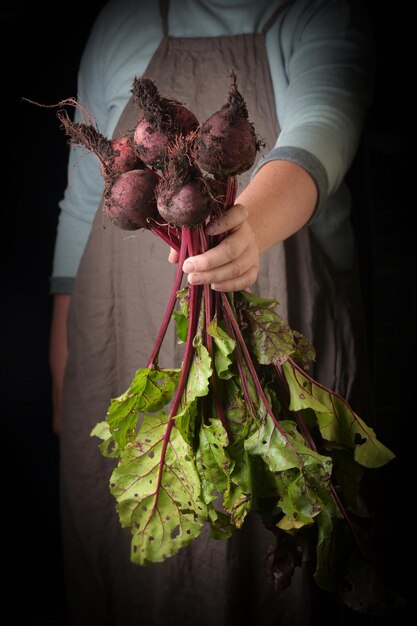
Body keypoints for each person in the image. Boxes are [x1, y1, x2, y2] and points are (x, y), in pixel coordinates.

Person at [49, 0, 373, 624]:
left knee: (267, 526)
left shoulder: (320, 16)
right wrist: (63, 355)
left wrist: (249, 226)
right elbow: (85, 195)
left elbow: (326, 123)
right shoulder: (125, 17)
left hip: (273, 322)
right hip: (117, 333)